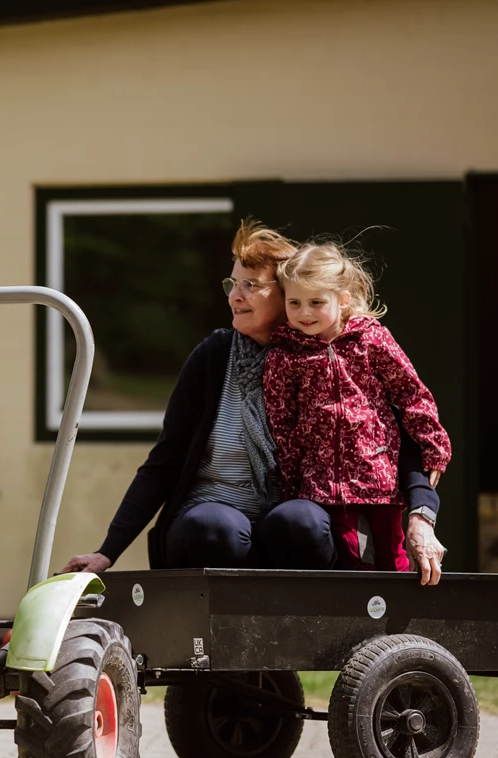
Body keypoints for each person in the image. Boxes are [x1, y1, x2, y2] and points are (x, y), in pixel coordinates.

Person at [61, 221, 448, 585]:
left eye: (251, 285)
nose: (234, 295)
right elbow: (164, 462)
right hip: (209, 520)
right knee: (217, 528)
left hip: (282, 522)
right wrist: (107, 552)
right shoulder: (214, 356)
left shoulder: (332, 358)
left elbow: (390, 432)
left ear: (285, 292)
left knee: (304, 522)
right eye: (232, 283)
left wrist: (421, 513)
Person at [264, 241, 450, 572]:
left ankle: (403, 620)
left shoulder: (371, 339)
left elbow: (410, 392)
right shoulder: (285, 356)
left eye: (316, 302)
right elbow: (282, 424)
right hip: (321, 485)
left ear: (343, 299)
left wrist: (434, 445)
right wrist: (290, 483)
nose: (304, 312)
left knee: (393, 561)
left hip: (377, 475)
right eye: (295, 303)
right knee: (351, 559)